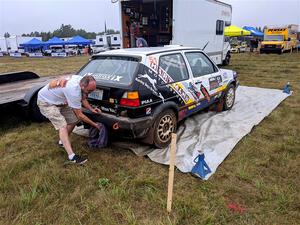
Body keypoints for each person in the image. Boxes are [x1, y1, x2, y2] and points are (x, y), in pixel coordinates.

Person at [37, 75, 101, 164]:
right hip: (46, 102)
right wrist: (95, 125)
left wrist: (91, 109)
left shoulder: (81, 80)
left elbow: (83, 98)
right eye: (89, 91)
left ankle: (62, 142)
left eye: (92, 90)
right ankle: (72, 157)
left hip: (61, 101)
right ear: (82, 86)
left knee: (73, 120)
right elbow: (80, 115)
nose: (90, 93)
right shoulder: (73, 91)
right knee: (62, 125)